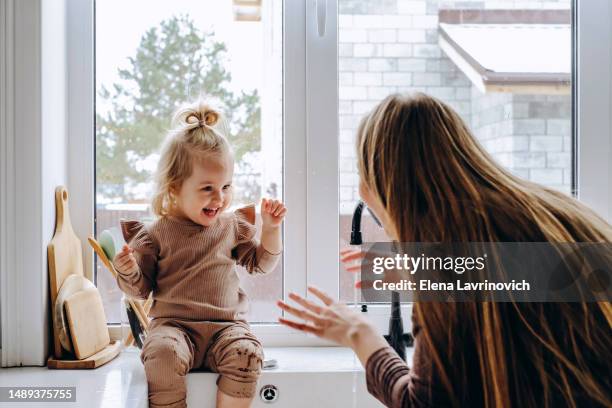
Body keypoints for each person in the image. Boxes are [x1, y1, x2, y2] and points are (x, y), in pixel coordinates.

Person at [277, 93, 611, 407]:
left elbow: (425, 403)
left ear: (379, 187)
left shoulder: (449, 254)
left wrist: (358, 333)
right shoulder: (552, 213)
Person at [112, 99, 286, 408]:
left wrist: (271, 230)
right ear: (175, 188)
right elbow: (140, 290)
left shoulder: (232, 226)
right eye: (207, 188)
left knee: (248, 355)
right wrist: (126, 269)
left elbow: (262, 264)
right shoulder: (156, 234)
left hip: (227, 329)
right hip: (174, 329)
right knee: (161, 355)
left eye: (226, 186)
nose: (219, 198)